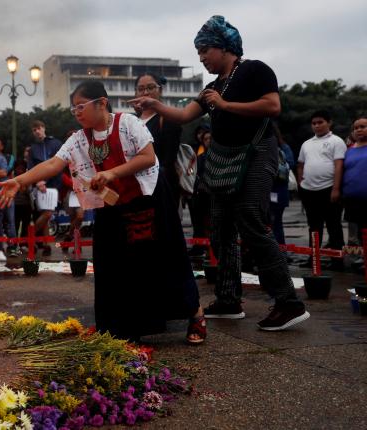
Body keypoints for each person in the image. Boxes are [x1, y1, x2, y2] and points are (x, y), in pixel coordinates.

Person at [128, 15, 309, 331]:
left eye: (204, 51)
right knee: (220, 229)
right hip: (224, 160)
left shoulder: (254, 70)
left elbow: (272, 106)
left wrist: (224, 105)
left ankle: (288, 302)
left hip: (255, 153)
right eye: (198, 52)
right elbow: (184, 115)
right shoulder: (213, 87)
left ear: (225, 47)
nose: (201, 58)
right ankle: (228, 299)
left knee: (252, 222)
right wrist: (153, 104)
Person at [0, 81, 205, 343]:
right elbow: (53, 163)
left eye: (81, 107)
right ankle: (124, 327)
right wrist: (20, 181)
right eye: (74, 109)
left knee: (164, 258)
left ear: (102, 103)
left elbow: (148, 157)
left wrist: (110, 173)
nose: (77, 113)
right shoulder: (79, 138)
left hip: (149, 201)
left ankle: (196, 316)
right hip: (113, 205)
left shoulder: (129, 124)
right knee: (112, 263)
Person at [297, 110, 347, 270]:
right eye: (314, 123)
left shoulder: (336, 141)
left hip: (329, 189)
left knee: (334, 226)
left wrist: (336, 188)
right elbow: (300, 164)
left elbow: (339, 165)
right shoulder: (307, 143)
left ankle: (338, 261)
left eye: (320, 122)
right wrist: (301, 182)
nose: (317, 125)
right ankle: (313, 259)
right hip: (309, 191)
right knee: (314, 226)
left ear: (329, 123)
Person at [134, 73, 183, 208]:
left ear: (160, 90)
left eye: (150, 88)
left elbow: (168, 160)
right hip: (135, 187)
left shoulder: (168, 118)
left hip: (161, 186)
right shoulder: (132, 121)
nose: (146, 92)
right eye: (141, 89)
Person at [27, 120, 63, 256]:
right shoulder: (32, 148)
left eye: (39, 128)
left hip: (54, 183)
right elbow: (31, 168)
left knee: (47, 214)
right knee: (47, 213)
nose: (37, 131)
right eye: (34, 129)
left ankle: (33, 237)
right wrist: (37, 181)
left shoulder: (56, 143)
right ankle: (43, 242)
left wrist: (45, 180)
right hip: (39, 185)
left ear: (44, 128)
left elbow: (59, 163)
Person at [342, 116, 367, 271]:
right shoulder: (348, 150)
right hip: (351, 199)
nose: (359, 130)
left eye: (363, 126)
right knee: (353, 234)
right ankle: (355, 260)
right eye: (356, 127)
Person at [270, 124, 295, 246]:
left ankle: (280, 253)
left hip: (278, 191)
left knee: (276, 222)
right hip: (264, 192)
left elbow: (290, 164)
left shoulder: (283, 148)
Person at [0, 138, 19, 257]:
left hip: (8, 193)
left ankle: (13, 246)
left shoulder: (9, 157)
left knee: (10, 220)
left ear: (1, 146)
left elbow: (6, 170)